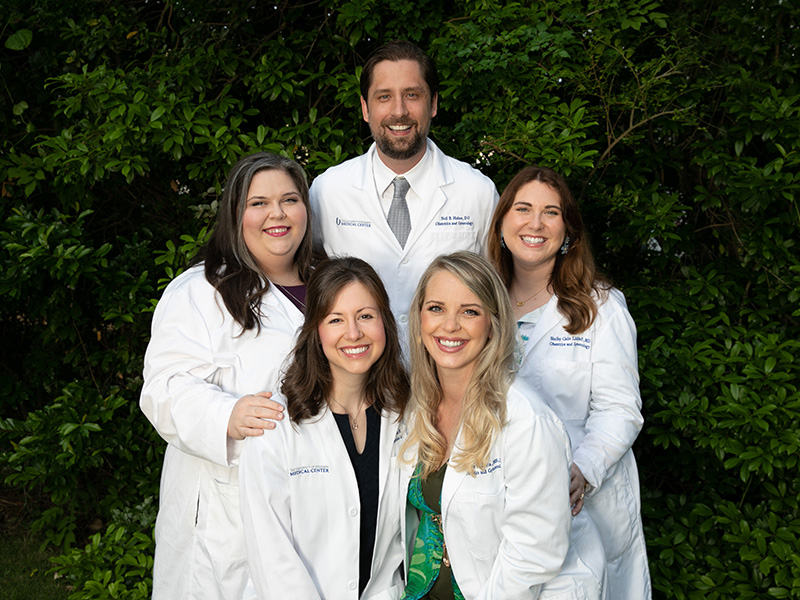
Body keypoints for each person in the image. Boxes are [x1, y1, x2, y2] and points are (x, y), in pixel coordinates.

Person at [140, 152, 316, 599]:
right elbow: (163, 389)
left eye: (289, 199)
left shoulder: (329, 283)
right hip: (224, 507)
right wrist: (226, 414)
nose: (276, 214)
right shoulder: (199, 291)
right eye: (258, 203)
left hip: (312, 491)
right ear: (235, 215)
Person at [487, 166, 652, 598]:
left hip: (581, 493)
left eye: (551, 212)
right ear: (501, 223)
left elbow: (620, 409)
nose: (535, 224)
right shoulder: (478, 302)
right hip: (500, 492)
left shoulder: (601, 306)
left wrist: (583, 469)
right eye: (522, 209)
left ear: (569, 233)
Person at [396, 251, 576, 599]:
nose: (450, 325)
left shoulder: (526, 421)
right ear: (418, 322)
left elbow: (534, 553)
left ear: (493, 325)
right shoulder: (415, 408)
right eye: (436, 308)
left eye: (470, 311)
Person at [240, 257, 409, 600]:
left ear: (385, 323)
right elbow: (271, 554)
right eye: (336, 319)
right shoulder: (277, 425)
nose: (354, 333)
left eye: (366, 315)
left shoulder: (406, 414)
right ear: (315, 331)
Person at [309, 41, 499, 343]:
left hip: (449, 379)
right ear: (365, 108)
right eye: (384, 97)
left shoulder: (477, 192)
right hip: (358, 378)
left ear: (433, 104)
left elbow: (500, 291)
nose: (399, 111)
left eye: (412, 95)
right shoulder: (328, 191)